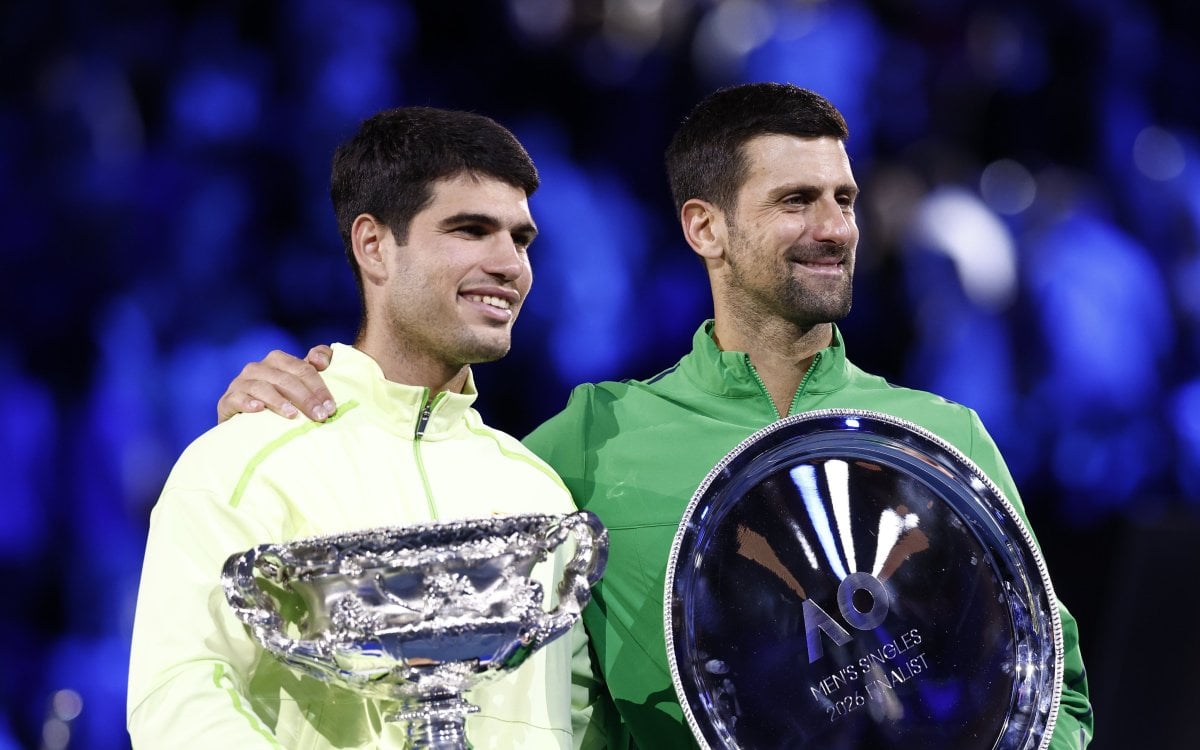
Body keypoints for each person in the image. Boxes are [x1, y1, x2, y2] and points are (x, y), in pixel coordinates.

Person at [218, 83, 1094, 749]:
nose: (834, 228)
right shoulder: (583, 447)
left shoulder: (943, 436)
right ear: (703, 228)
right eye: (796, 202)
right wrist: (323, 397)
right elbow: (427, 499)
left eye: (845, 199)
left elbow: (1057, 692)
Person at [128, 106, 602, 749]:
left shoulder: (537, 493)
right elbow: (178, 699)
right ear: (374, 245)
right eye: (470, 230)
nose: (511, 266)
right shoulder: (246, 461)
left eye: (520, 240)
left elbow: (568, 723)